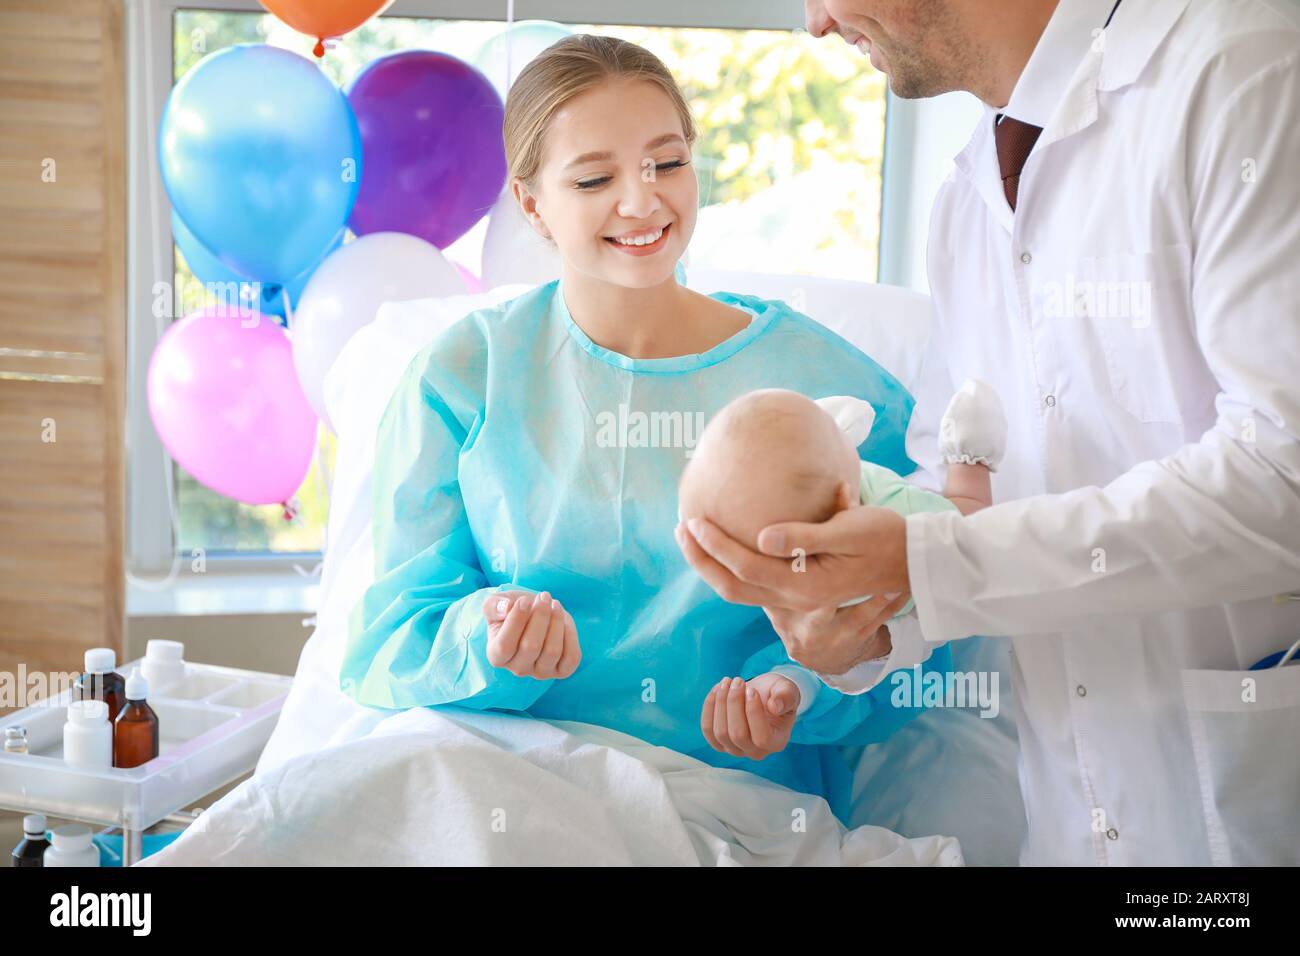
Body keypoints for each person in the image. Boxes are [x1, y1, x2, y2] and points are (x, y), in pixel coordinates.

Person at [678, 0, 1300, 865]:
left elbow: (1284, 478)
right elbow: (959, 503)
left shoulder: (1246, 74)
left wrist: (927, 568)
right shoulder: (966, 203)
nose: (814, 22)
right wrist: (861, 622)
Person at [341, 34, 953, 825]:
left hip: (729, 805)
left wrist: (806, 683)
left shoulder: (825, 385)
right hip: (510, 786)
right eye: (595, 178)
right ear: (531, 205)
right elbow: (391, 631)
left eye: (668, 163)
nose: (642, 202)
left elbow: (933, 613)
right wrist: (486, 641)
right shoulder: (464, 375)